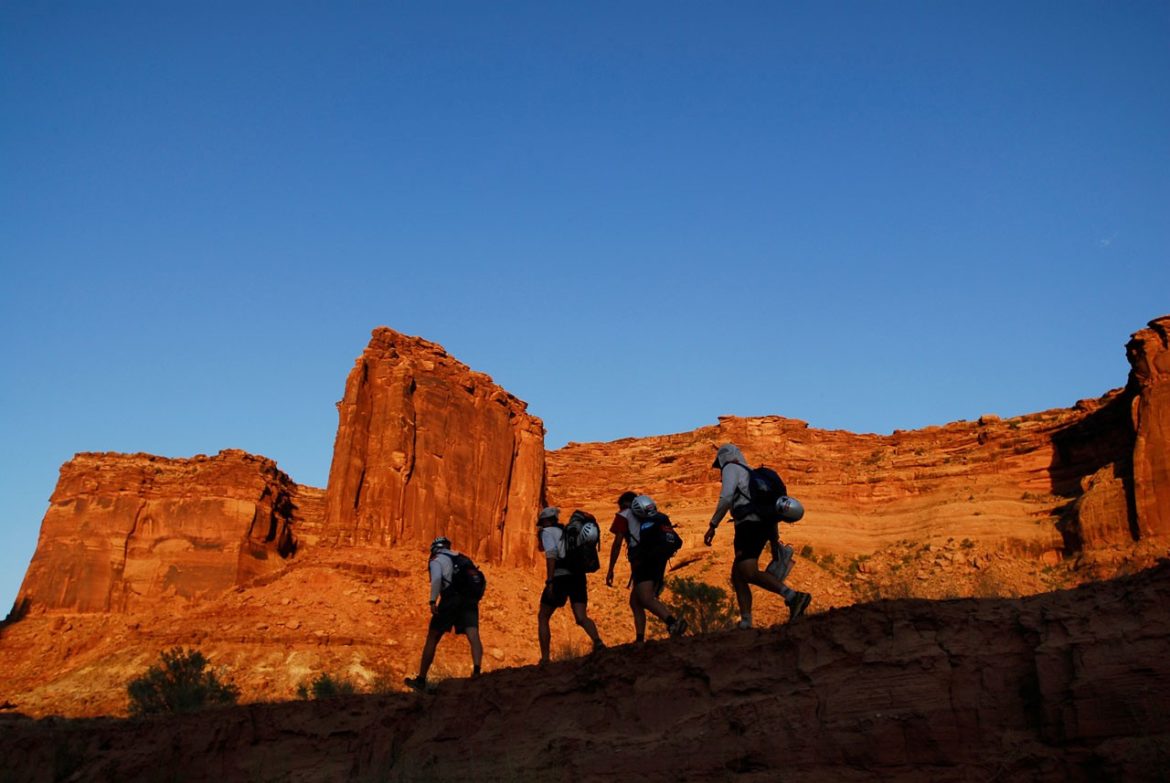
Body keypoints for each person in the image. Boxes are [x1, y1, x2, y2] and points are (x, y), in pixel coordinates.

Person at [703, 443, 811, 627]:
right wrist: (774, 539)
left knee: (748, 571)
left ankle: (793, 596)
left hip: (748, 525)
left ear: (723, 459)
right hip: (762, 523)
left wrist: (713, 525)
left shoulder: (731, 467)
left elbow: (726, 498)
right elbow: (768, 510)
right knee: (738, 575)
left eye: (719, 464)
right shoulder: (751, 473)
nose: (720, 468)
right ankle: (746, 621)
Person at [404, 536, 483, 692]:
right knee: (473, 635)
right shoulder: (462, 558)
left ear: (434, 548)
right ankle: (477, 673)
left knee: (433, 636)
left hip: (450, 599)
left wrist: (433, 601)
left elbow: (437, 580)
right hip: (469, 600)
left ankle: (421, 680)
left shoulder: (437, 559)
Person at [536, 507, 604, 663]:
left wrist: (550, 580)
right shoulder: (567, 531)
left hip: (561, 577)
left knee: (543, 616)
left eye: (542, 523)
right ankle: (598, 642)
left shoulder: (548, 532)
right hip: (578, 577)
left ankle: (545, 658)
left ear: (546, 521)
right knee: (581, 617)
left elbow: (551, 556)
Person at [624, 495, 688, 642]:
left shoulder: (640, 521)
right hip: (659, 562)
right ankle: (640, 639)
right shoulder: (661, 517)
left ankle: (673, 623)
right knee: (635, 602)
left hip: (645, 563)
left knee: (646, 599)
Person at [605, 491, 639, 588]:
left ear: (623, 504)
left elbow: (617, 545)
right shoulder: (647, 513)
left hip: (639, 554)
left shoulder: (623, 515)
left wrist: (610, 569)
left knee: (639, 597)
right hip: (659, 553)